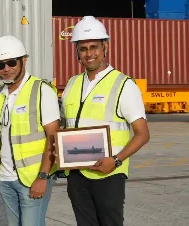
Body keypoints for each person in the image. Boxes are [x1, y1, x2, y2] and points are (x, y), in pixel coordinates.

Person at [60, 16, 151, 226]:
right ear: (77, 52)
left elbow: (143, 134)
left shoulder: (123, 84)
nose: (89, 53)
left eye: (94, 47)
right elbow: (67, 127)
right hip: (76, 176)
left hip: (109, 175)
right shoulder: (72, 84)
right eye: (83, 48)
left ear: (105, 47)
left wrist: (116, 160)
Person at [0, 35, 61, 226]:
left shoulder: (41, 90)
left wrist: (43, 176)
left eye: (11, 63)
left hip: (32, 178)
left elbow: (52, 137)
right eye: (1, 65)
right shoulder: (0, 95)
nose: (6, 69)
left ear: (24, 60)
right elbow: (2, 137)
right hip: (5, 179)